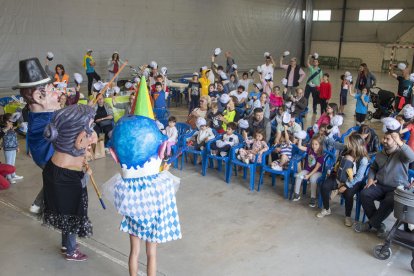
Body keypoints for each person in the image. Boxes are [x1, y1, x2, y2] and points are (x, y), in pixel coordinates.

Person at [109, 115, 182, 276]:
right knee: (151, 254)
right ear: (160, 150)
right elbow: (167, 191)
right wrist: (164, 171)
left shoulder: (124, 179)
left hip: (133, 213)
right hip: (153, 217)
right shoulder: (160, 181)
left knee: (134, 252)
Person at [42, 104, 96, 261]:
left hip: (55, 171)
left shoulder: (52, 163)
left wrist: (82, 159)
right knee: (72, 217)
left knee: (65, 215)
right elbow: (80, 185)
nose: (93, 137)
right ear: (79, 139)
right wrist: (87, 174)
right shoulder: (71, 176)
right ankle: (71, 251)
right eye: (90, 130)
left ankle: (66, 245)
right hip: (68, 177)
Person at [13, 57, 63, 214]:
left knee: (55, 177)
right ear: (38, 97)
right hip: (49, 158)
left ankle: (38, 204)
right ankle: (55, 209)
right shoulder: (47, 119)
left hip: (45, 156)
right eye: (53, 91)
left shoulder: (40, 116)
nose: (58, 93)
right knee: (69, 176)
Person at [354, 119, 414, 235]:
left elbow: (412, 158)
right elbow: (373, 168)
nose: (384, 141)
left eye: (388, 139)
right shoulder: (380, 154)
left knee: (390, 201)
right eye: (384, 138)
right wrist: (370, 178)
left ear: (396, 141)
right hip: (380, 185)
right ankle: (378, 224)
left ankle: (370, 224)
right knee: (364, 194)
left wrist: (400, 142)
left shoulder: (402, 154)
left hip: (397, 188)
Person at [317, 134, 369, 227]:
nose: (348, 144)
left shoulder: (363, 159)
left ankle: (348, 216)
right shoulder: (346, 148)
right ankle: (326, 208)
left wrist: (346, 186)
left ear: (356, 144)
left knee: (348, 194)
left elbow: (359, 177)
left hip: (353, 181)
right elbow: (333, 144)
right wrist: (326, 135)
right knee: (324, 186)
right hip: (338, 177)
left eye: (350, 142)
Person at [293, 134, 325, 207]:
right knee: (298, 176)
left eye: (316, 144)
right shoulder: (309, 150)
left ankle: (313, 198)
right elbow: (300, 147)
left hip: (317, 172)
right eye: (313, 144)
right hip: (308, 170)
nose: (314, 146)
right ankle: (297, 194)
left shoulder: (321, 155)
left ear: (320, 145)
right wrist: (300, 138)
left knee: (313, 179)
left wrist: (308, 175)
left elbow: (316, 168)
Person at [1, 114, 23, 183]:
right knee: (8, 164)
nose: (13, 121)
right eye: (11, 119)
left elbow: (14, 138)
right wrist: (7, 128)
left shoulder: (12, 127)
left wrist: (17, 146)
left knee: (13, 162)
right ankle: (9, 177)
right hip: (8, 148)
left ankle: (13, 175)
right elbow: (2, 135)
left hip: (13, 147)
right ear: (7, 121)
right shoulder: (3, 128)